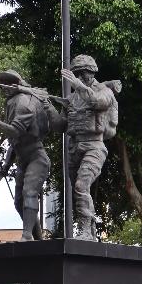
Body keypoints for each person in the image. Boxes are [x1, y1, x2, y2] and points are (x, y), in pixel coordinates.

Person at [0, 70, 62, 240]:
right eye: (2, 84)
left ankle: (27, 235)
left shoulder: (23, 102)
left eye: (8, 84)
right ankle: (37, 238)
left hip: (37, 157)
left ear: (18, 85)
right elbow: (15, 142)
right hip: (22, 159)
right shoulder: (11, 103)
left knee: (29, 193)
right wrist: (7, 164)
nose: (3, 88)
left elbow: (14, 131)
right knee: (19, 202)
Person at [55, 55, 120, 241]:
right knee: (79, 190)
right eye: (78, 74)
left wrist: (79, 86)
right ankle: (89, 231)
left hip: (94, 146)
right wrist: (47, 106)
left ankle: (85, 230)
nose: (81, 77)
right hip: (74, 147)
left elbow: (98, 102)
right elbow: (60, 125)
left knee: (81, 185)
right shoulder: (72, 98)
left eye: (84, 73)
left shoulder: (104, 91)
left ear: (92, 73)